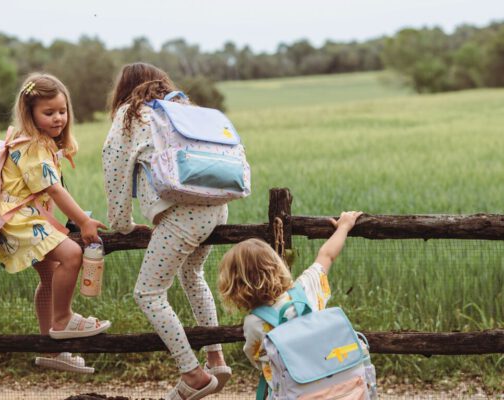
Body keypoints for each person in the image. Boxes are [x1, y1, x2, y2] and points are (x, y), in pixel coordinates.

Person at [102, 63, 231, 400]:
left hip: (180, 214)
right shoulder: (181, 107)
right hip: (217, 208)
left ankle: (193, 374)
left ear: (124, 90)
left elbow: (115, 172)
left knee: (148, 294)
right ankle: (216, 359)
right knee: (193, 273)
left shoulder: (130, 116)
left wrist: (122, 225)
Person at [0, 73, 110, 373]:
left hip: (26, 217)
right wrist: (83, 221)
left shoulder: (41, 144)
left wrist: (66, 220)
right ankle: (62, 319)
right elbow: (53, 189)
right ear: (29, 113)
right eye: (49, 113)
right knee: (72, 255)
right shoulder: (33, 146)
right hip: (18, 218)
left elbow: (49, 192)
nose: (58, 118)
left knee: (51, 275)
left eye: (62, 111)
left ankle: (51, 347)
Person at [218, 211, 363, 393]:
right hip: (336, 385)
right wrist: (344, 226)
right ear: (277, 265)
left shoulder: (254, 323)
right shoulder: (306, 287)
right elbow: (327, 255)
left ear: (235, 287)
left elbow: (258, 359)